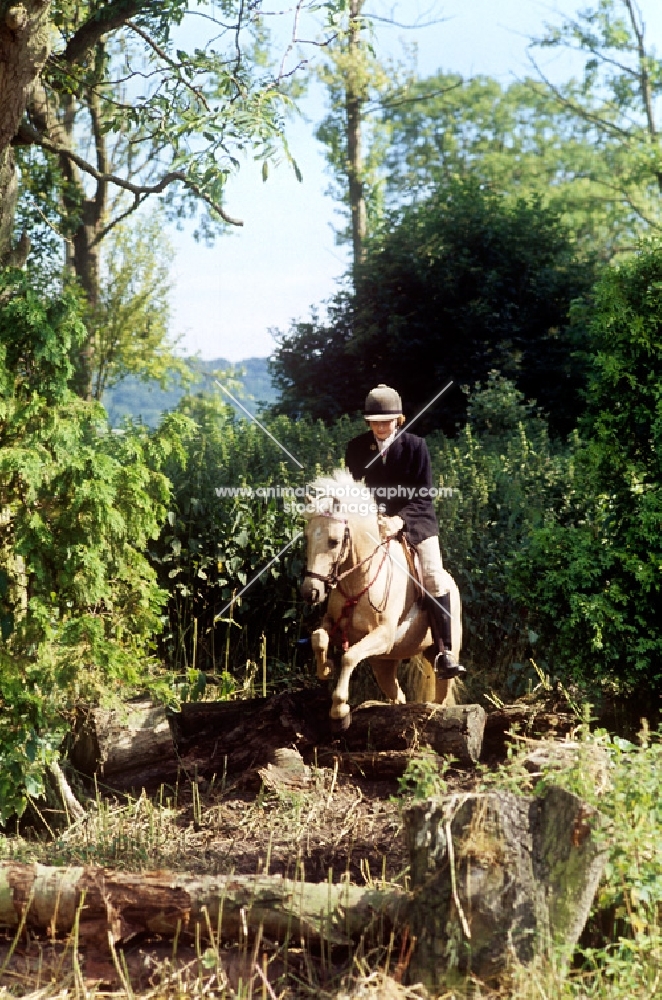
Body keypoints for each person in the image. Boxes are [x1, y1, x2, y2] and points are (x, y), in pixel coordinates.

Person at [344, 384, 465, 679]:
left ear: (398, 419)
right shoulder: (357, 448)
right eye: (375, 421)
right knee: (337, 560)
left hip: (416, 521)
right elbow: (353, 493)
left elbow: (423, 495)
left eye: (387, 421)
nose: (381, 426)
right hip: (371, 523)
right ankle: (330, 631)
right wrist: (371, 518)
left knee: (434, 575)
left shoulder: (415, 446)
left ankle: (444, 651)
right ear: (368, 422)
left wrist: (399, 521)